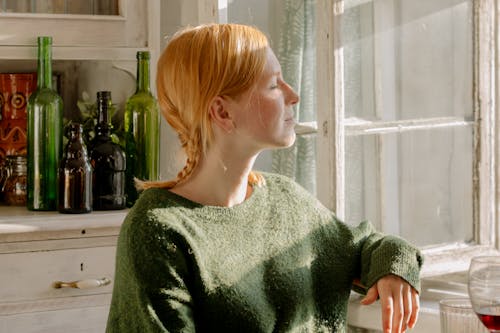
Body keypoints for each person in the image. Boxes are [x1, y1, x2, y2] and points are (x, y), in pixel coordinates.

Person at [106, 23, 423, 333]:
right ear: (223, 112)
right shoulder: (157, 231)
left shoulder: (286, 199)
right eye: (274, 85)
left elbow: (367, 245)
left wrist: (395, 269)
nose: (293, 95)